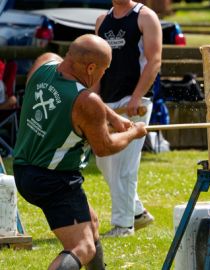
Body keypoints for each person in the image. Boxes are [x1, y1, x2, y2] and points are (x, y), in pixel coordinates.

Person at [12, 34, 147, 269]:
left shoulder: (44, 65)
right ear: (91, 67)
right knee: (82, 247)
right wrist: (134, 133)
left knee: (91, 224)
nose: (103, 75)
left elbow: (84, 99)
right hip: (54, 179)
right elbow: (104, 148)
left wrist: (113, 116)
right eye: (104, 70)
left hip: (24, 168)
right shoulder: (86, 101)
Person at [95, 0, 162, 236]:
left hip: (135, 103)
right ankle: (137, 212)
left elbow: (154, 60)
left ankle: (123, 226)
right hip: (108, 103)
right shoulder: (102, 21)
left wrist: (136, 97)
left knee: (125, 165)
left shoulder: (145, 17)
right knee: (103, 161)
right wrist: (94, 102)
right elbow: (96, 67)